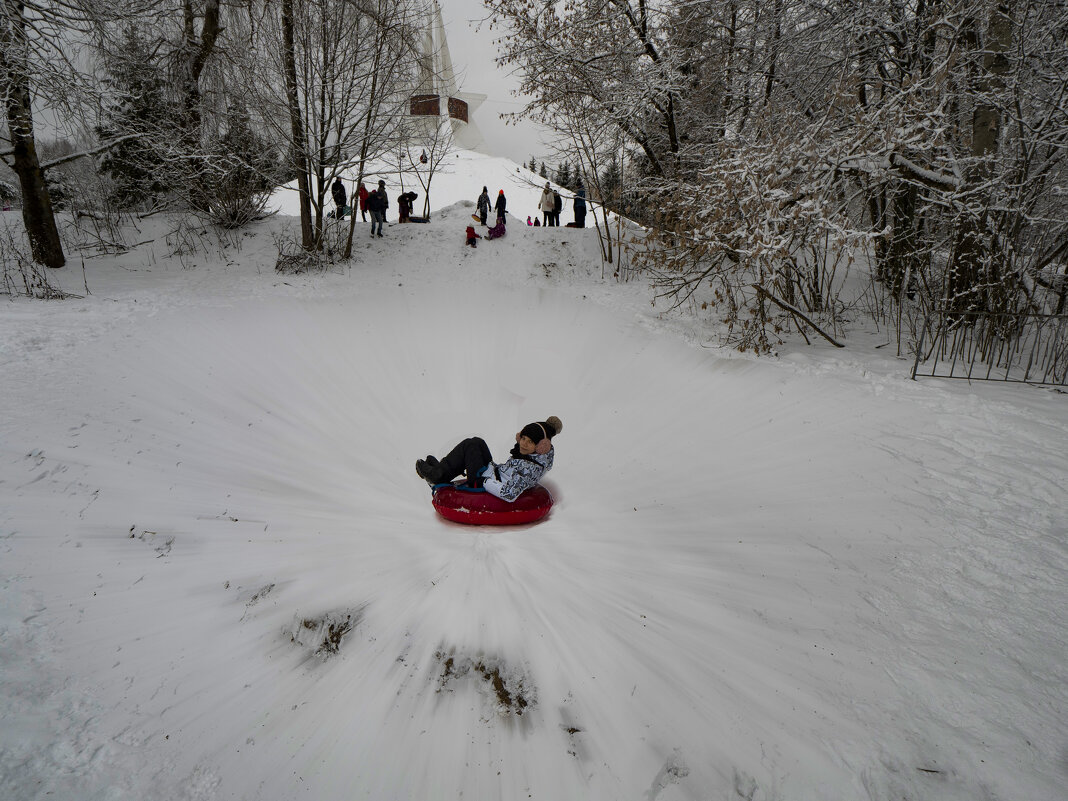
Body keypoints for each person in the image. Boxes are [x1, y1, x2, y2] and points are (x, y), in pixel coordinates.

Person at [415, 417, 562, 501]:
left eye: (529, 441)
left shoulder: (532, 469)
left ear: (540, 446)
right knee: (476, 442)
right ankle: (441, 471)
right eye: (523, 438)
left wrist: (484, 481)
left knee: (471, 447)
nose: (523, 443)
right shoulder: (536, 456)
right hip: (494, 473)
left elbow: (509, 494)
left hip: (485, 482)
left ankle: (438, 475)